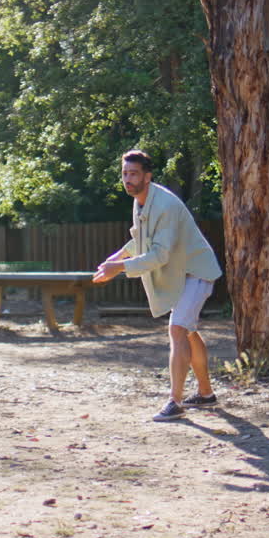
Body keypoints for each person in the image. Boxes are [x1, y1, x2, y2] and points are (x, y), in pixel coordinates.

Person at [94, 150, 223, 422]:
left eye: (134, 174)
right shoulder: (140, 201)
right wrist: (116, 258)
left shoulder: (163, 205)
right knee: (187, 332)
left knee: (177, 329)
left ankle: (175, 402)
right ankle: (206, 394)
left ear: (147, 177)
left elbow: (159, 255)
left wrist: (119, 268)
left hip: (195, 271)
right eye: (125, 174)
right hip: (179, 273)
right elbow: (140, 240)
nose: (128, 179)